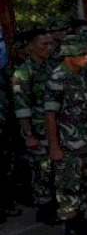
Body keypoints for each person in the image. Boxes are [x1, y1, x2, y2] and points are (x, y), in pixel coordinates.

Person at [45, 35, 87, 235]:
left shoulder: (81, 75)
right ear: (68, 56)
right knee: (68, 186)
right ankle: (72, 227)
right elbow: (50, 115)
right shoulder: (58, 78)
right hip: (67, 144)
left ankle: (80, 219)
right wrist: (54, 146)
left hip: (86, 140)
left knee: (85, 182)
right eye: (82, 54)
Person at [12, 29, 56, 224]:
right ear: (30, 46)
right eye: (44, 44)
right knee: (41, 171)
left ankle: (57, 204)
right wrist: (29, 134)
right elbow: (21, 107)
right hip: (37, 130)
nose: (49, 47)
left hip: (55, 128)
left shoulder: (52, 67)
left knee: (55, 168)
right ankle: (45, 210)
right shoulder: (23, 73)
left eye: (51, 43)